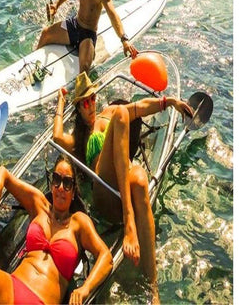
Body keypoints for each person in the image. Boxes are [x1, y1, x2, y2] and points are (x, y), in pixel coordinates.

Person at [52, 72, 194, 304]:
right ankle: (130, 223)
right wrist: (60, 101)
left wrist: (170, 102)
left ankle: (153, 289)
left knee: (139, 178)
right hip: (105, 192)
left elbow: (141, 107)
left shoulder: (108, 113)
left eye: (93, 98)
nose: (91, 105)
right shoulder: (79, 137)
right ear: (78, 108)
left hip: (126, 186)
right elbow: (57, 137)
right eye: (84, 103)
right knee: (122, 113)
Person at [0, 154, 113, 305]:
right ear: (51, 184)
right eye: (56, 179)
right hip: (13, 285)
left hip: (41, 299)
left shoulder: (78, 222)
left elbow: (106, 257)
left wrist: (85, 289)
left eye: (67, 182)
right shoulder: (39, 205)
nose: (61, 187)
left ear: (74, 191)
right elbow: (5, 173)